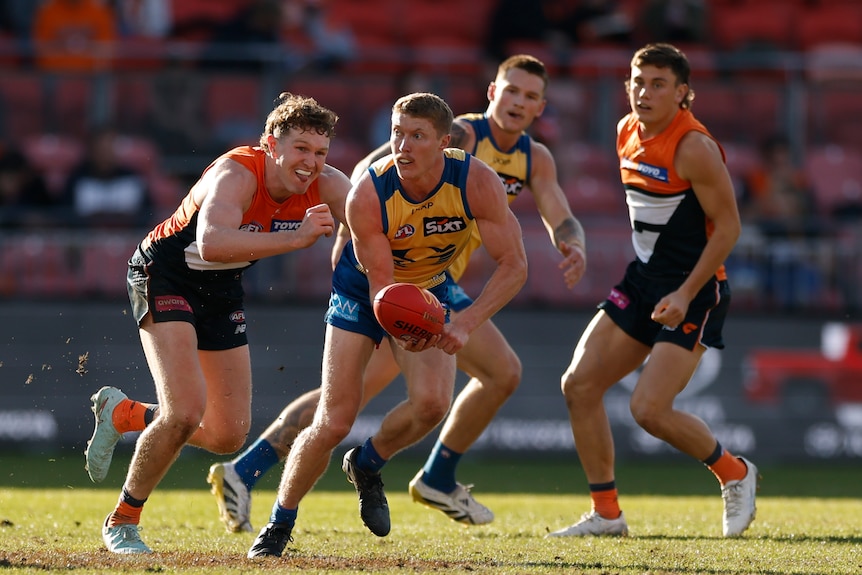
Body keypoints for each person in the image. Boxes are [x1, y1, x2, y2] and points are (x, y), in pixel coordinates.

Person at [206, 54, 587, 534]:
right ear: (492, 92)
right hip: (385, 280)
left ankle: (404, 473)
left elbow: (555, 216)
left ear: (540, 107)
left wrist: (572, 242)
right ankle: (425, 477)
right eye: (511, 90)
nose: (518, 102)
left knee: (474, 383)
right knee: (345, 406)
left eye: (529, 96)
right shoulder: (461, 135)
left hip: (433, 283)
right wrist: (354, 228)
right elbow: (375, 170)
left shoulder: (531, 158)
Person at [247, 92, 528, 557]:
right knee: (334, 420)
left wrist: (467, 321)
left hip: (429, 288)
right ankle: (279, 523)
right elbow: (383, 290)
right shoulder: (368, 191)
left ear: (444, 142)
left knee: (434, 404)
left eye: (417, 136)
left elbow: (514, 265)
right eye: (397, 133)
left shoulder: (476, 181)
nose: (402, 145)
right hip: (364, 293)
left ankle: (368, 463)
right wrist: (408, 331)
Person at [82, 92, 351, 554]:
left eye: (320, 152)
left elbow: (372, 227)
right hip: (165, 273)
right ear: (271, 144)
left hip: (220, 288)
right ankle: (123, 521)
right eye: (301, 149)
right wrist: (298, 239)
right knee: (185, 412)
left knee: (228, 435)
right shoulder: (237, 173)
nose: (311, 162)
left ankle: (125, 414)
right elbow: (210, 244)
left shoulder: (328, 183)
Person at [547, 43, 758, 539]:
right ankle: (607, 515)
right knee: (578, 386)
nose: (644, 91)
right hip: (642, 282)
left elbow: (728, 229)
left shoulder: (694, 148)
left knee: (648, 410)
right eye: (638, 81)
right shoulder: (626, 131)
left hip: (698, 290)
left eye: (658, 83)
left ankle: (736, 474)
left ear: (683, 93)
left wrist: (685, 293)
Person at [59, 125, 155, 229]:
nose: (106, 153)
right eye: (101, 148)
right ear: (92, 150)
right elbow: (67, 217)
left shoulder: (133, 179)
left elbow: (145, 216)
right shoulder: (77, 180)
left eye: (110, 147)